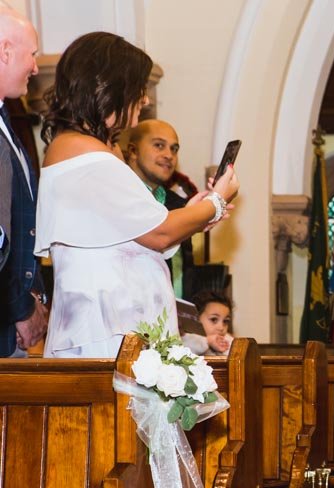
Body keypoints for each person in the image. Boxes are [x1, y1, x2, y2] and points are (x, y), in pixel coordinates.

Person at [36, 32, 238, 358]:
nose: (144, 100)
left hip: (122, 328)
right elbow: (158, 233)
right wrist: (216, 201)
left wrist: (193, 214)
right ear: (110, 85)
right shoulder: (82, 151)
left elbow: (136, 235)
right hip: (103, 329)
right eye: (138, 88)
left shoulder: (97, 149)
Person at [0, 7, 46, 356]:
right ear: (5, 52)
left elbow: (22, 224)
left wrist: (34, 299)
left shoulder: (8, 122)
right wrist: (21, 307)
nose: (35, 67)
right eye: (32, 55)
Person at [124, 119, 195, 297]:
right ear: (133, 151)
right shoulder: (120, 198)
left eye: (174, 149)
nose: (169, 155)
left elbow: (182, 269)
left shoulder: (179, 204)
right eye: (159, 145)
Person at [192, 290, 232, 355]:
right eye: (213, 319)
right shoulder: (186, 339)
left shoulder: (228, 341)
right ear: (196, 319)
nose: (221, 328)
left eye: (225, 321)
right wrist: (208, 341)